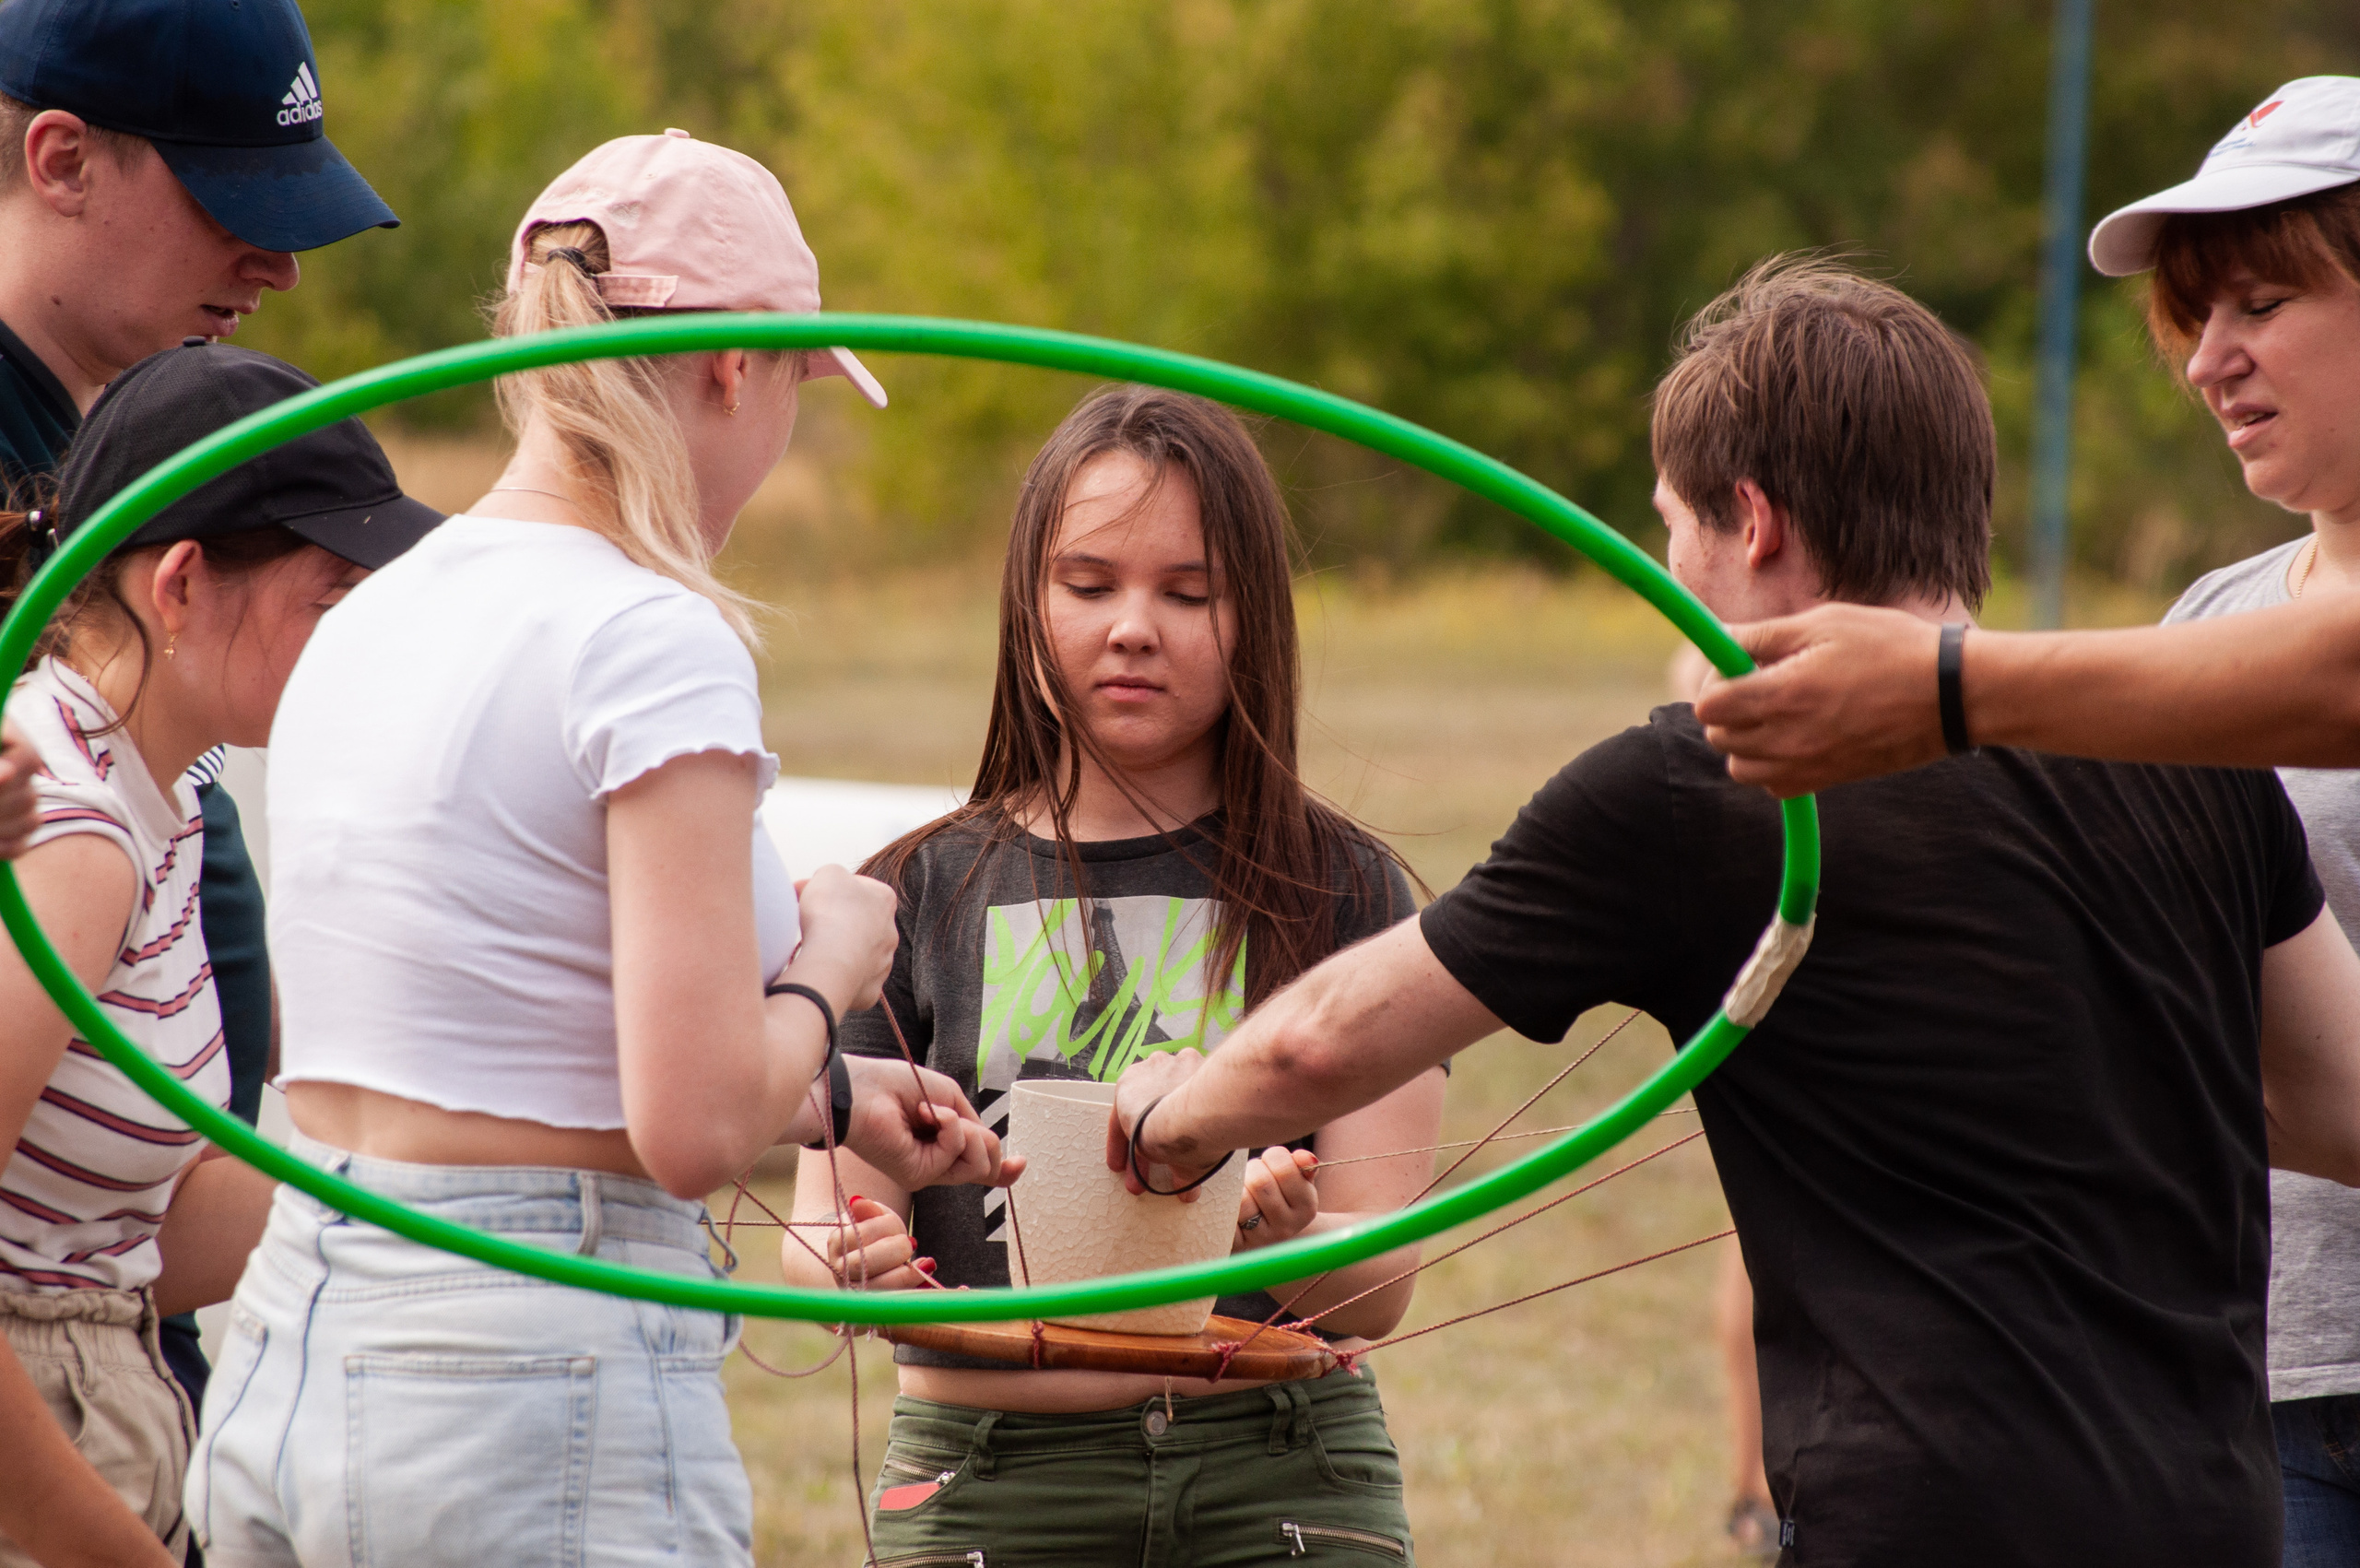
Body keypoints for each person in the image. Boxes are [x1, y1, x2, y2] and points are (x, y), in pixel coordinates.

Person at [1103, 257, 2360, 1568]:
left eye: (1671, 524)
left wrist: (1173, 1121)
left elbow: (1323, 1044)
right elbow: (2344, 1105)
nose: (1670, 562)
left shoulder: (1696, 787)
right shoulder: (2191, 759)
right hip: (2216, 1517)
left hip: (1926, 1526)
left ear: (1750, 523)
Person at [189, 131, 1001, 1568]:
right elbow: (686, 1129)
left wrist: (840, 1090)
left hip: (299, 1329)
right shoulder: (649, 634)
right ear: (738, 368)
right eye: (798, 390)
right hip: (526, 1367)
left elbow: (493, 1016)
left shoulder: (378, 609)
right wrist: (830, 960)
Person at [778, 385, 1442, 1565]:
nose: (1133, 626)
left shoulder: (1349, 889)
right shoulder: (912, 893)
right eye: (1088, 586)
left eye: (1187, 593)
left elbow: (1381, 1285)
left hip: (1282, 1465)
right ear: (1027, 607)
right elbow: (821, 1226)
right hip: (986, 1470)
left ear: (1259, 621)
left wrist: (1277, 1231)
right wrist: (853, 1262)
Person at [0, 0, 403, 1441]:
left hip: (121, 1303)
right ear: (60, 159)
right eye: (232, 196)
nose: (282, 263)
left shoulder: (112, 457)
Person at [0, 342, 441, 1568]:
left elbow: (122, 1226)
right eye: (333, 596)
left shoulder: (160, 793)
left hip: (102, 1404)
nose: (364, 641)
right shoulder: (75, 831)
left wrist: (445, 1191)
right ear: (183, 581)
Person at [1691, 80, 2360, 794]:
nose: (2203, 364)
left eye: (2262, 305)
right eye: (2197, 319)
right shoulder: (2209, 618)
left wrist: (1945, 688)